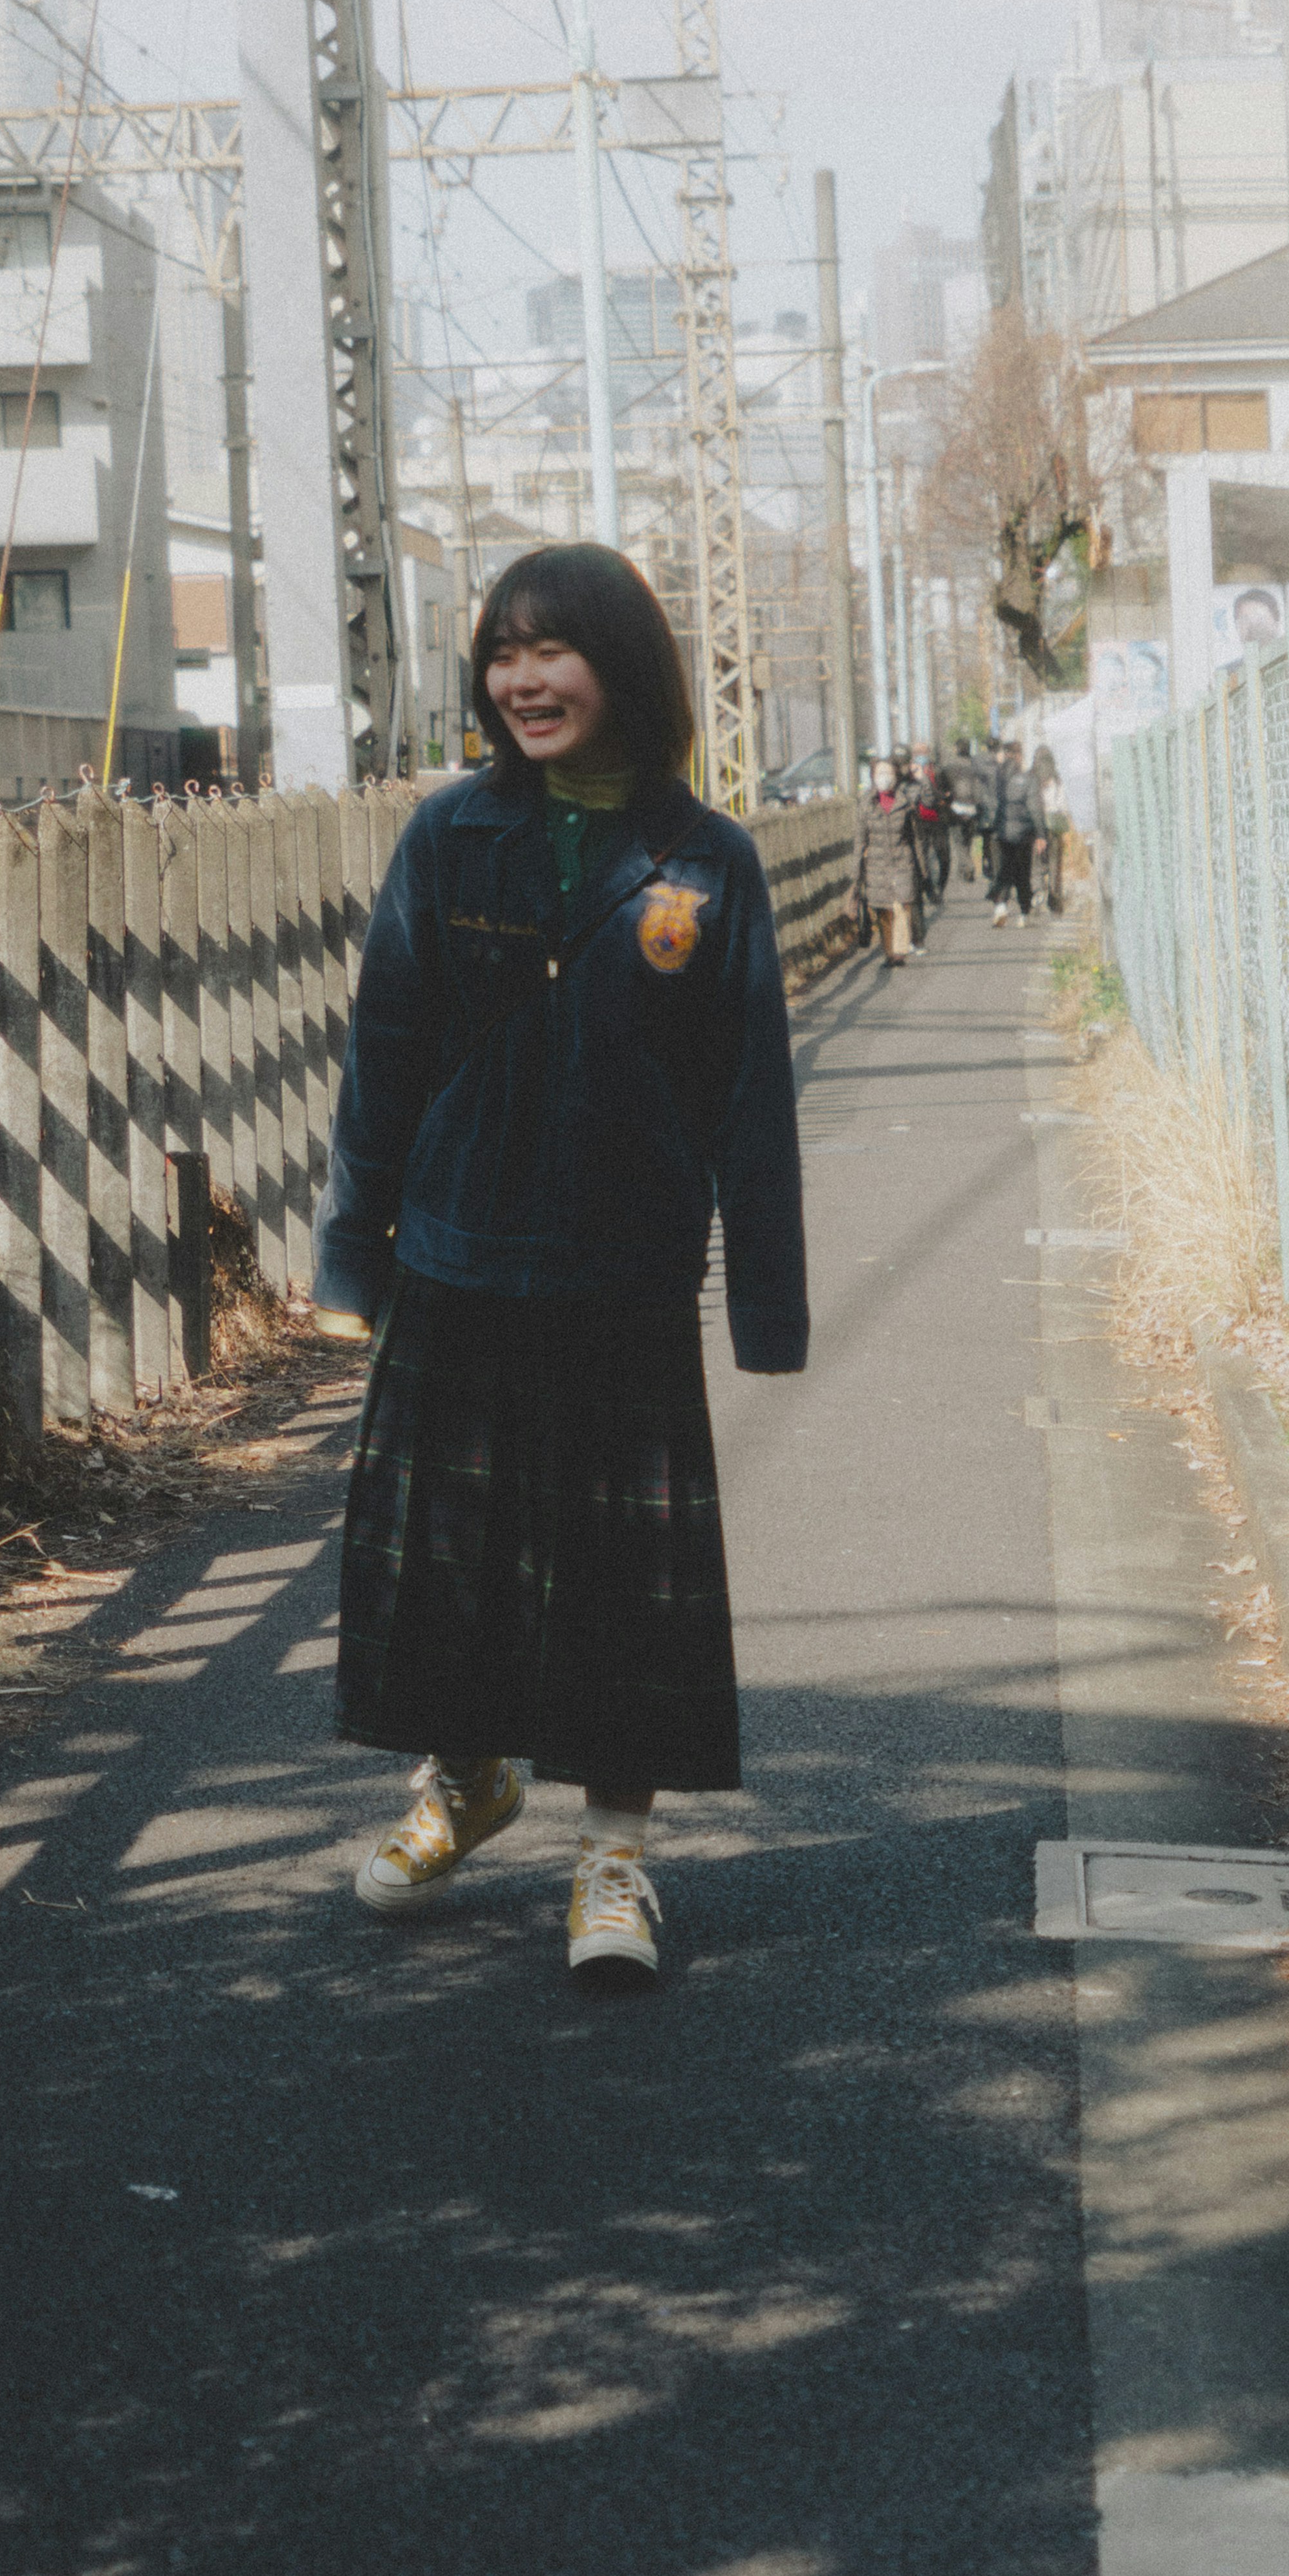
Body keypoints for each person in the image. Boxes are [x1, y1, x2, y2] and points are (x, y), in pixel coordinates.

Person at [310, 542, 807, 1989]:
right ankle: (468, 1781)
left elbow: (750, 1096)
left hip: (624, 1274)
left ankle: (616, 1861)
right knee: (445, 1570)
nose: (523, 678)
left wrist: (765, 1304)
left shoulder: (705, 861)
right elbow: (384, 1051)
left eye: (553, 650)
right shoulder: (447, 836)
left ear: (624, 666)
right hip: (457, 1258)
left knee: (622, 1587)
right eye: (503, 653)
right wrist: (357, 1250)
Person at [856, 755, 923, 966]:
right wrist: (855, 872)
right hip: (876, 865)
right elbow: (860, 840)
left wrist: (922, 867)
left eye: (888, 773)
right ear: (873, 777)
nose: (884, 777)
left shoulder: (905, 803)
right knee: (884, 911)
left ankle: (900, 952)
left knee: (902, 907)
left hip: (902, 861)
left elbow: (916, 838)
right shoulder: (866, 804)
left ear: (896, 777)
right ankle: (889, 951)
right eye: (880, 773)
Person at [991, 742, 1041, 923]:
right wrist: (1041, 833)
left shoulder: (997, 777)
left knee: (1004, 869)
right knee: (1023, 872)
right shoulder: (1029, 779)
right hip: (1024, 833)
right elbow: (1035, 808)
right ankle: (1024, 913)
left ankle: (1002, 906)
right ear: (1020, 756)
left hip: (1001, 830)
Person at [942, 740, 990, 885]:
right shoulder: (976, 768)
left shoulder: (949, 768)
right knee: (968, 840)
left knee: (958, 842)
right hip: (973, 808)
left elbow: (944, 787)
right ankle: (962, 868)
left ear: (956, 750)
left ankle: (967, 866)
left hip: (956, 807)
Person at [910, 749, 951, 906]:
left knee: (944, 857)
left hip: (939, 820)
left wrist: (945, 799)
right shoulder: (911, 776)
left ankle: (940, 888)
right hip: (920, 823)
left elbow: (948, 792)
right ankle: (929, 892)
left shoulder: (939, 773)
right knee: (923, 858)